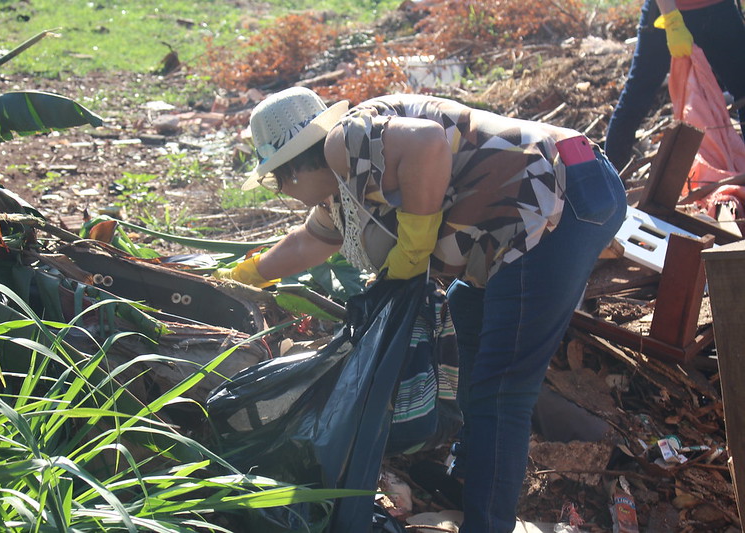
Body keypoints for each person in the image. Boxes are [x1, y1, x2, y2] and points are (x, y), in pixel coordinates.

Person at [220, 86, 627, 532]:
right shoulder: (343, 190)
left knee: (503, 386)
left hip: (559, 202)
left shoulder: (344, 142)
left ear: (296, 166)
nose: (285, 193)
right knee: (465, 342)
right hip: (523, 225)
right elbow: (309, 240)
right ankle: (469, 480)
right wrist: (246, 276)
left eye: (279, 180)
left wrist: (414, 244)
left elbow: (429, 144)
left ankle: (487, 523)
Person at [604, 0, 745, 172]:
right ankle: (611, 183)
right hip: (668, 12)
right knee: (637, 96)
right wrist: (671, 20)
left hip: (720, 10)